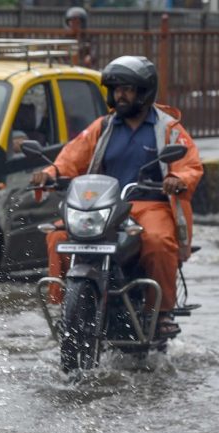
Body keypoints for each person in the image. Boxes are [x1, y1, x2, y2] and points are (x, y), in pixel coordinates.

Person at [31, 55, 203, 338]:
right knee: (58, 237)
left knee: (159, 242)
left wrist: (177, 179)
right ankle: (66, 307)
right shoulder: (102, 127)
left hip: (150, 204)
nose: (120, 95)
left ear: (144, 92)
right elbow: (71, 157)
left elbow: (190, 166)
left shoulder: (169, 128)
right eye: (116, 89)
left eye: (127, 89)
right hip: (103, 205)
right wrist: (50, 173)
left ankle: (161, 313)